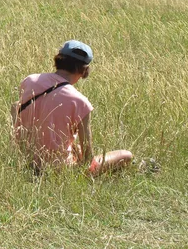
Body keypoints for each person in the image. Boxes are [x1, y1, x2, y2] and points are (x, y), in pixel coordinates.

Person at [11, 40, 133, 175]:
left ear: (58, 60)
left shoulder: (30, 80)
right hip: (59, 170)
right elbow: (88, 158)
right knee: (125, 155)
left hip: (25, 161)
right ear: (84, 70)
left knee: (76, 148)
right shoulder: (80, 102)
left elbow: (16, 108)